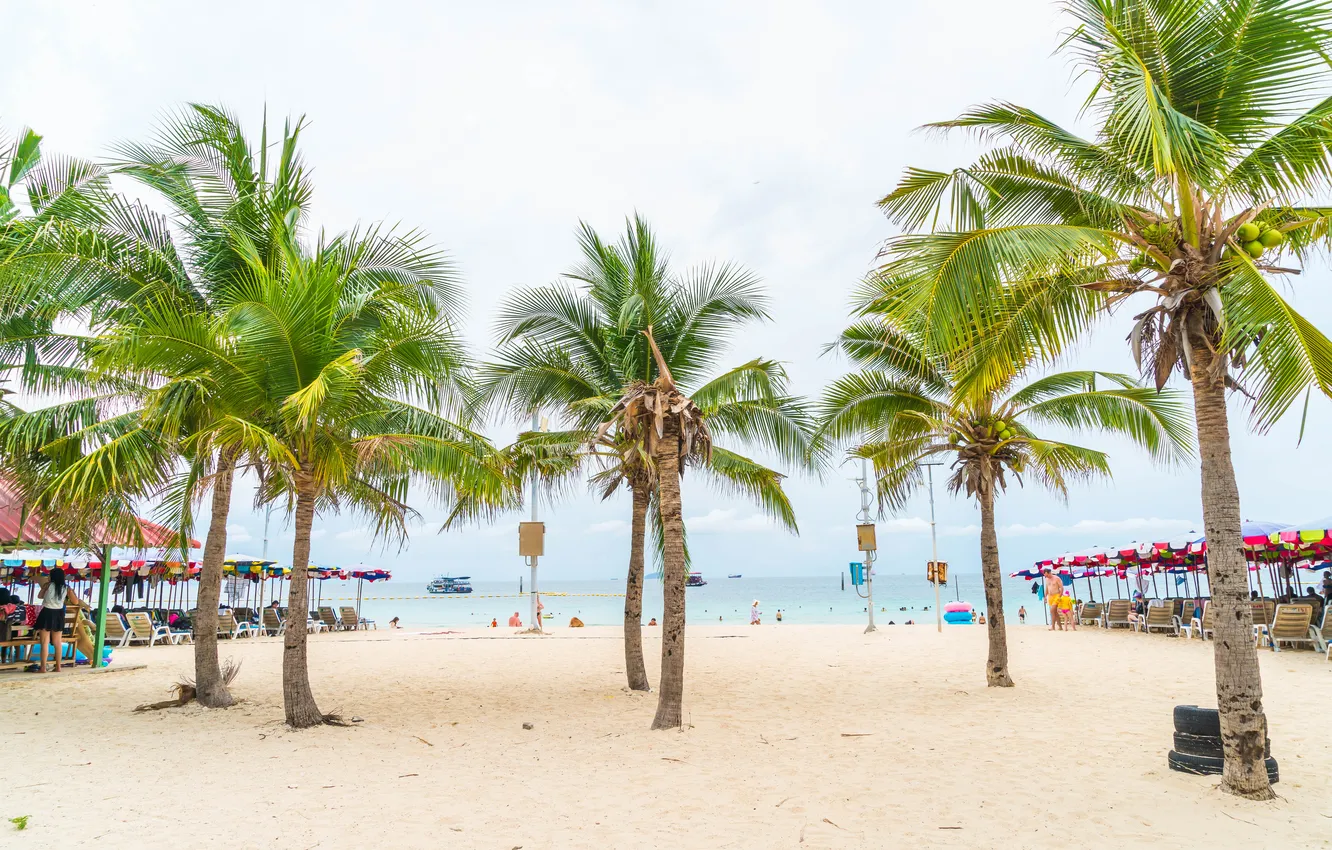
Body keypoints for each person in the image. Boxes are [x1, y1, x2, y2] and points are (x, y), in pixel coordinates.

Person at [34, 567, 80, 673]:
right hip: (59, 614)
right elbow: (76, 602)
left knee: (45, 642)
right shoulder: (66, 587)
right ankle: (58, 667)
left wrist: (46, 591)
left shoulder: (48, 585)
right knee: (57, 642)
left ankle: (43, 668)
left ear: (52, 576)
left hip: (46, 612)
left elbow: (40, 596)